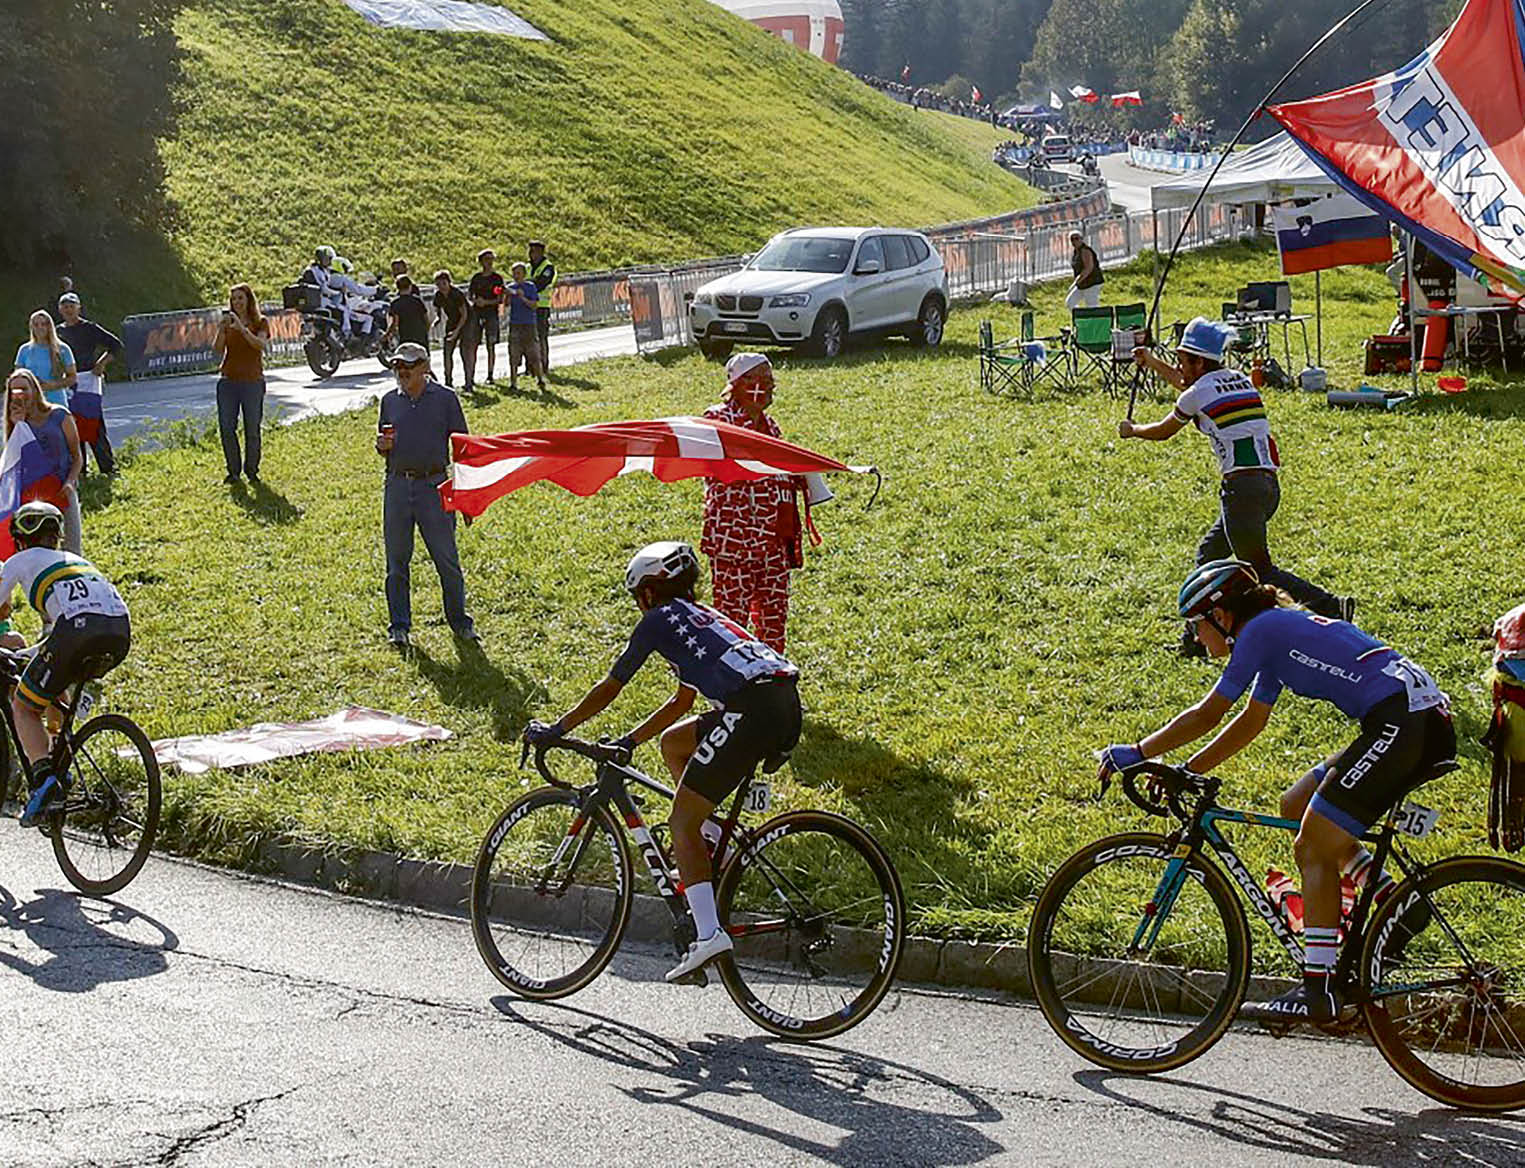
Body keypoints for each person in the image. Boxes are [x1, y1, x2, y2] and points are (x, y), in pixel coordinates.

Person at [1098, 559, 1454, 1024]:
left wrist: (1136, 752)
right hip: (1407, 717)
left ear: (1220, 615)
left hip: (1401, 721)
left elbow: (1209, 713)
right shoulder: (1274, 632)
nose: (1195, 637)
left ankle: (1318, 990)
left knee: (1313, 845)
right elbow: (1250, 722)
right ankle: (1394, 902)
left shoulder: (1260, 632)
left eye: (1195, 624)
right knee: (1296, 804)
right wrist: (1186, 770)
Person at [525, 541, 801, 982]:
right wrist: (631, 740)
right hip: (780, 701)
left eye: (638, 596)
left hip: (751, 709)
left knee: (680, 822)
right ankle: (715, 842)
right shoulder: (701, 617)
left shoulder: (658, 620)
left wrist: (558, 729)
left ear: (649, 592)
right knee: (674, 745)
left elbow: (612, 685)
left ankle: (708, 933)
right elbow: (681, 703)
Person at [1123, 316, 1350, 655]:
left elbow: (1164, 430)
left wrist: (1133, 430)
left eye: (1183, 360)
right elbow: (1188, 386)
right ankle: (1196, 640)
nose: (1179, 367)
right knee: (1209, 555)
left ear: (1200, 362)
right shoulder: (1239, 380)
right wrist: (1152, 362)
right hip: (1267, 487)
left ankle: (1331, 607)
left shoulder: (1198, 393)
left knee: (1259, 569)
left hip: (1240, 491)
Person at [0, 501, 130, 826]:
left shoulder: (18, 560)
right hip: (119, 629)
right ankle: (60, 757)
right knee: (54, 682)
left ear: (19, 540)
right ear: (56, 536)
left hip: (76, 631)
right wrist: (28, 653)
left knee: (23, 707)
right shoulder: (74, 560)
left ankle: (45, 781)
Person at [375, 342, 476, 647]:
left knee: (447, 559)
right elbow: (383, 442)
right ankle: (399, 627)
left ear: (425, 367)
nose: (401, 371)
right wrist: (381, 446)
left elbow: (463, 448)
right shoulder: (389, 401)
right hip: (397, 486)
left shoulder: (445, 399)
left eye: (408, 365)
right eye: (397, 366)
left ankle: (460, 622)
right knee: (396, 562)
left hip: (433, 487)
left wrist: (467, 495)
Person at [700, 353, 798, 654]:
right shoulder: (717, 420)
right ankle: (734, 677)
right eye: (762, 379)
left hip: (772, 540)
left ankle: (773, 675)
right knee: (732, 620)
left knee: (774, 616)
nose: (770, 386)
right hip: (734, 540)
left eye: (771, 380)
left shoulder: (771, 427)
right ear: (741, 384)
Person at [4, 369, 83, 555]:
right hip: (34, 493)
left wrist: (70, 482)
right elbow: (14, 462)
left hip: (63, 487)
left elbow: (77, 456)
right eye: (15, 391)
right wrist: (17, 424)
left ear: (35, 389)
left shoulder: (59, 415)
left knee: (72, 547)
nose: (20, 394)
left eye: (24, 388)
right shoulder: (16, 423)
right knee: (36, 549)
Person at [55, 293, 122, 476]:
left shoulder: (90, 328)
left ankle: (107, 467)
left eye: (72, 306)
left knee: (93, 424)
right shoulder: (58, 332)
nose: (68, 310)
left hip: (88, 380)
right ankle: (80, 469)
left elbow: (116, 345)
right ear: (60, 310)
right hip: (68, 382)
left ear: (79, 308)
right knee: (73, 425)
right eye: (65, 307)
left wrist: (101, 363)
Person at [212, 283, 271, 485]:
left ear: (248, 300)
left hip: (252, 381)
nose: (237, 302)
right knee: (227, 427)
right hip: (228, 381)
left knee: (252, 428)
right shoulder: (228, 323)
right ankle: (233, 471)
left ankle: (252, 470)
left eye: (240, 298)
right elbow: (218, 349)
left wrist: (243, 330)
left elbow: (260, 345)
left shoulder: (260, 322)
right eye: (234, 299)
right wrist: (221, 330)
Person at [15, 311, 76, 409]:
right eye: (36, 325)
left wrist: (52, 385)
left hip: (57, 402)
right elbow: (17, 377)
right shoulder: (24, 350)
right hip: (31, 404)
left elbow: (72, 377)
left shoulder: (63, 349)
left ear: (49, 326)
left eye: (43, 324)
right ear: (31, 327)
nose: (40, 328)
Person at [465, 249, 506, 389]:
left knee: (491, 344)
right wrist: (475, 301)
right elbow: (470, 295)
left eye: (491, 259)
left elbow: (500, 298)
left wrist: (486, 302)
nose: (489, 262)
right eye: (486, 259)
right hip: (476, 314)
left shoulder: (497, 279)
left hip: (491, 314)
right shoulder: (476, 278)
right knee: (473, 344)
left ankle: (490, 374)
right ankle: (471, 376)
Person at [504, 262, 544, 392]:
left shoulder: (530, 287)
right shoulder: (511, 287)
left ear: (524, 274)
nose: (516, 276)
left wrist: (522, 297)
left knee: (533, 353)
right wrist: (508, 295)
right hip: (515, 324)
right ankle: (513, 383)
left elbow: (534, 305)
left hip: (528, 324)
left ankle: (540, 379)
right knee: (513, 354)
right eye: (514, 273)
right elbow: (506, 305)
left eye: (518, 273)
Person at [432, 270, 468, 389]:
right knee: (447, 352)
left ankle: (468, 382)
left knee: (465, 352)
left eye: (444, 283)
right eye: (438, 284)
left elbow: (464, 314)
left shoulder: (456, 294)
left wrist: (457, 331)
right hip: (452, 320)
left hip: (466, 322)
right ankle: (448, 381)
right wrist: (437, 319)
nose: (441, 287)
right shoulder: (438, 295)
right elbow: (437, 308)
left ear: (449, 282)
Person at [528, 240, 557, 374]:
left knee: (541, 337)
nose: (531, 253)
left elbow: (540, 284)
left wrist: (526, 285)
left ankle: (543, 365)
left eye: (533, 251)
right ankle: (530, 367)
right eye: (530, 251)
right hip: (527, 306)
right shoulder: (528, 267)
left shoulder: (548, 268)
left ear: (540, 252)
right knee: (528, 338)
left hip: (541, 307)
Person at [386, 275, 430, 349]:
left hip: (405, 338)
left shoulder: (395, 303)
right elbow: (426, 320)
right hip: (421, 337)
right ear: (410, 286)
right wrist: (425, 332)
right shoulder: (417, 300)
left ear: (397, 287)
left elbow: (395, 323)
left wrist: (387, 335)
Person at [1066, 231, 1103, 310]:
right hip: (1082, 283)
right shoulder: (1076, 252)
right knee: (1070, 302)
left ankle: (1098, 317)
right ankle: (1080, 317)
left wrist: (1077, 281)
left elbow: (1088, 268)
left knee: (1092, 306)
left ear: (1081, 239)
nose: (1074, 241)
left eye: (1077, 238)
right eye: (1072, 239)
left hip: (1092, 282)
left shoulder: (1085, 250)